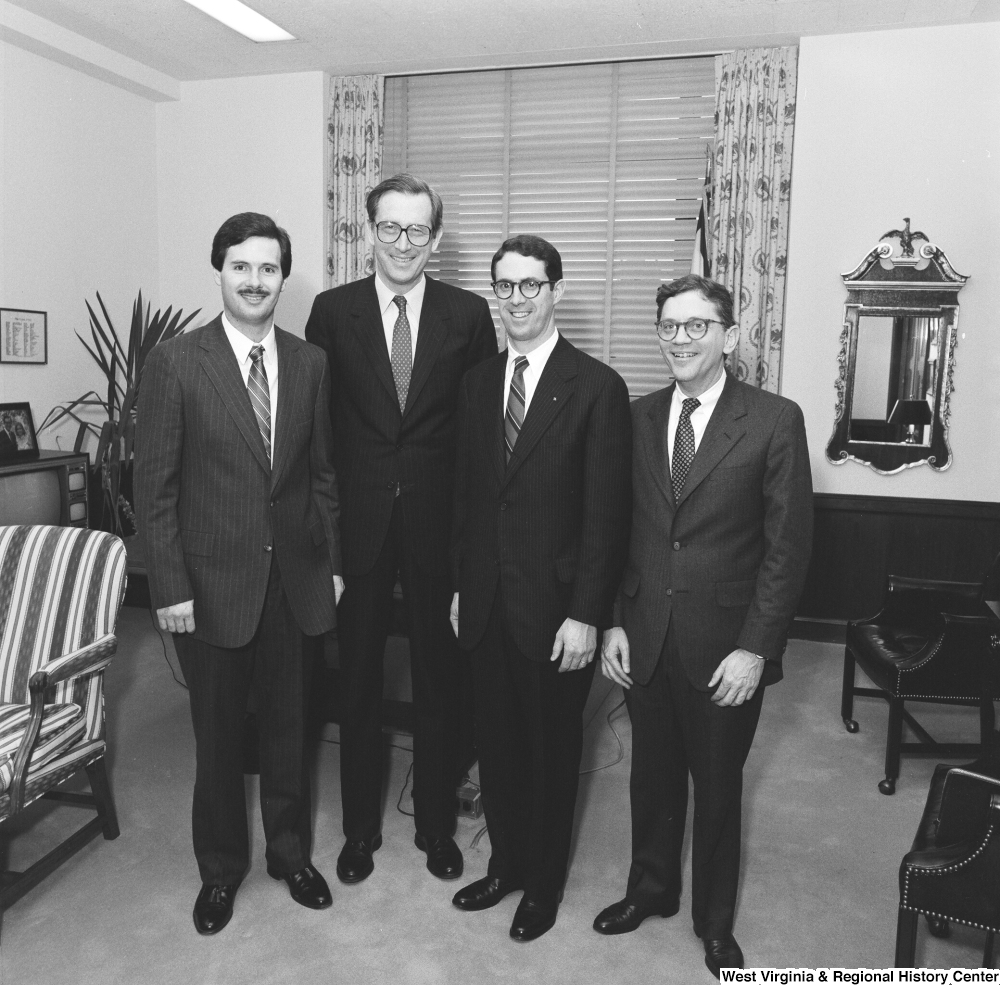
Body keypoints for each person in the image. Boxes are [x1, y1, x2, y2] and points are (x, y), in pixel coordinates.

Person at [593, 275, 813, 978]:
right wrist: (615, 623)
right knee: (650, 780)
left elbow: (788, 548)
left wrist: (756, 647)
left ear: (729, 334)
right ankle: (651, 890)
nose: (680, 339)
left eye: (696, 326)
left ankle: (714, 923)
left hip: (726, 647)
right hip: (647, 633)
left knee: (717, 787)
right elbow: (620, 529)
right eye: (669, 326)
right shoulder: (635, 414)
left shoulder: (775, 419)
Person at [135, 212, 344, 936]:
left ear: (283, 277)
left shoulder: (310, 361)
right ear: (219, 270)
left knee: (291, 730)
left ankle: (290, 856)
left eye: (269, 269)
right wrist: (170, 588)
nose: (256, 281)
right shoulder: (175, 362)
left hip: (296, 582)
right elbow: (154, 488)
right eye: (241, 267)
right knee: (219, 740)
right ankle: (221, 870)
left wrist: (333, 565)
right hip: (210, 587)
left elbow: (321, 475)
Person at [304, 173, 497, 885]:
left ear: (437, 239)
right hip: (356, 530)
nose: (404, 242)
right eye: (391, 228)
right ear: (369, 230)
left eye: (419, 230)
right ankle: (359, 831)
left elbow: (479, 439)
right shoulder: (332, 312)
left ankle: (439, 827)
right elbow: (319, 432)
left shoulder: (469, 315)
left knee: (441, 684)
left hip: (437, 529)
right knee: (354, 682)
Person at [450, 234, 632, 941]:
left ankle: (544, 886)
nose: (517, 298)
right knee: (494, 745)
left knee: (552, 753)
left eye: (531, 284)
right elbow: (470, 499)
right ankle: (507, 865)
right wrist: (465, 585)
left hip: (557, 613)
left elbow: (605, 517)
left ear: (556, 290)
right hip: (487, 602)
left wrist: (587, 614)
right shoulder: (475, 383)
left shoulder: (597, 387)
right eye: (506, 285)